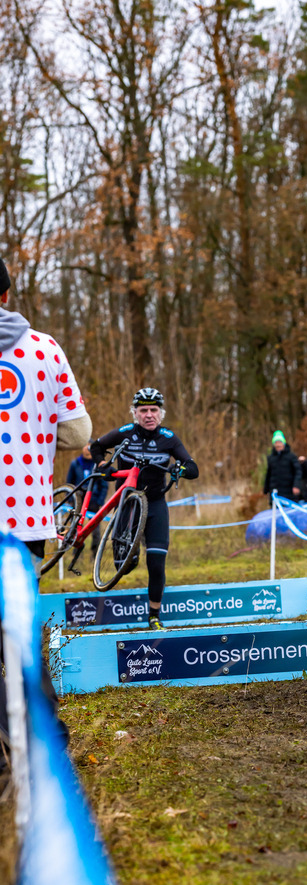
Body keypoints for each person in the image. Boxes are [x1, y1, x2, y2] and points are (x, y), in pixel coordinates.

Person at [0, 255, 91, 771]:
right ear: (6, 295)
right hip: (24, 517)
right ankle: (46, 731)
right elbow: (77, 433)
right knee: (19, 627)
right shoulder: (44, 349)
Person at [89, 388, 198, 630]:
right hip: (128, 503)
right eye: (143, 410)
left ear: (161, 413)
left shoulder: (169, 438)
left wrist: (180, 469)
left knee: (156, 563)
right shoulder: (125, 433)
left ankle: (154, 617)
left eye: (154, 410)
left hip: (156, 504)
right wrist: (103, 464)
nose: (149, 415)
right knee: (123, 565)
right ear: (135, 413)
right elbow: (96, 447)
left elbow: (193, 468)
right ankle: (131, 553)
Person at [66, 440, 109, 555]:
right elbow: (69, 483)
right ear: (82, 448)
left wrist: (99, 501)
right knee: (75, 529)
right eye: (86, 446)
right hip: (78, 501)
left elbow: (104, 485)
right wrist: (70, 499)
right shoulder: (75, 464)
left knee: (95, 531)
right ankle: (76, 554)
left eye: (90, 447)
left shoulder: (98, 465)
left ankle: (95, 555)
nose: (88, 449)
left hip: (93, 502)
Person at [263, 430, 302, 504]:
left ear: (283, 443)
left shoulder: (291, 456)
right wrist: (266, 490)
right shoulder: (271, 458)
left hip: (289, 491)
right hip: (275, 492)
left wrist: (296, 485)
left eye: (279, 442)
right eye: (276, 443)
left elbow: (298, 471)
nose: (278, 445)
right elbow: (269, 474)